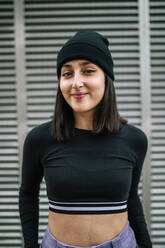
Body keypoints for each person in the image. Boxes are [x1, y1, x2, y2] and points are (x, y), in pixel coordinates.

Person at [19, 31, 152, 248]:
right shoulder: (39, 139)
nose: (76, 82)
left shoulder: (134, 140)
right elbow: (27, 194)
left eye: (88, 71)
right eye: (67, 73)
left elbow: (131, 198)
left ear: (106, 77)